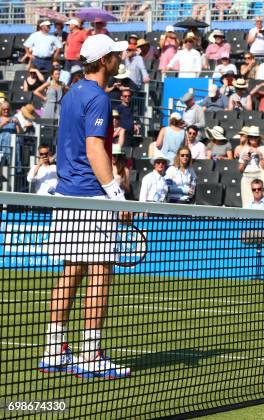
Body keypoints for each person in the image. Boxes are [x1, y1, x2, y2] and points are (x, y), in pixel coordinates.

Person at [40, 34, 131, 379]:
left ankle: (54, 349)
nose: (119, 60)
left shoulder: (72, 93)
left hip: (67, 196)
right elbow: (95, 150)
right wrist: (116, 194)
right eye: (116, 56)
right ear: (105, 60)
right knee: (100, 272)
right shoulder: (97, 98)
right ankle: (91, 354)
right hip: (92, 197)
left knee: (71, 271)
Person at [239, 125, 264, 207]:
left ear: (258, 138)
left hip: (258, 178)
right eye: (251, 137)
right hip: (246, 178)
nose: (253, 139)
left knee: (259, 204)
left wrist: (259, 154)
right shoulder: (244, 149)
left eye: (255, 137)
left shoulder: (263, 149)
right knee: (246, 204)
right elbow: (240, 170)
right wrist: (245, 161)